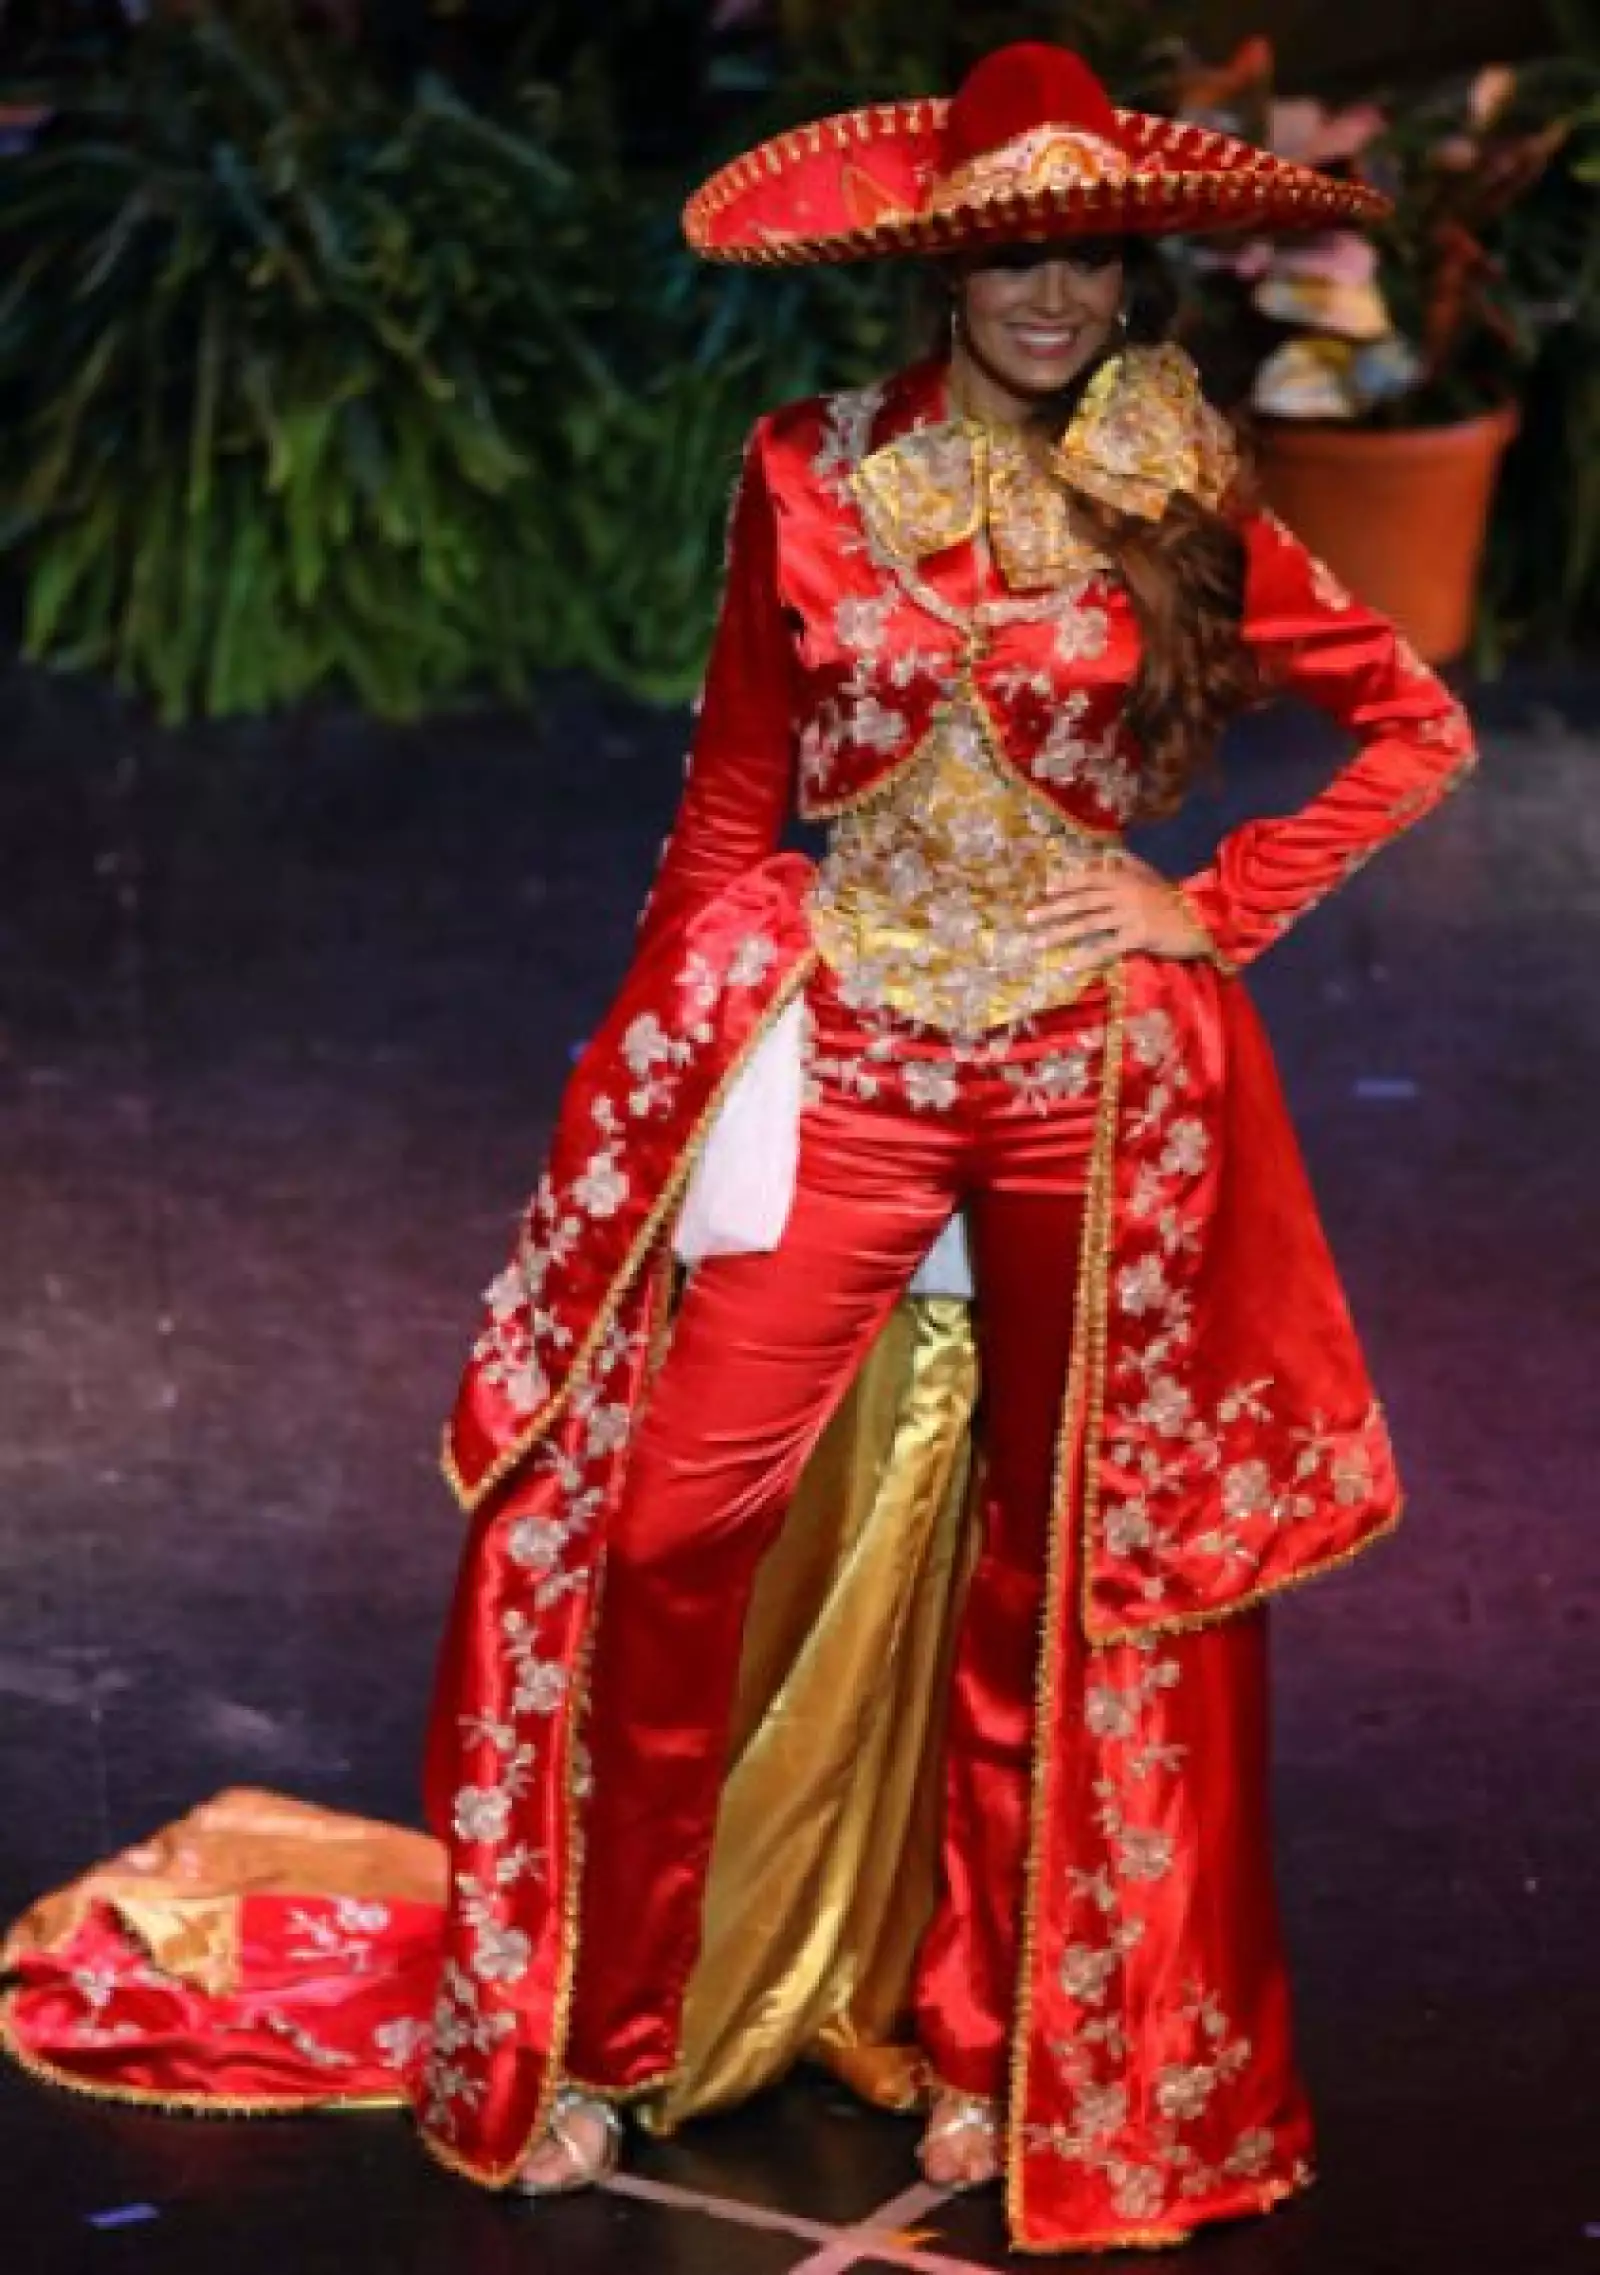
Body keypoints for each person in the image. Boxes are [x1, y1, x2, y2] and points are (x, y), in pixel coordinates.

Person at [0, 41, 1475, 2258]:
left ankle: (995, 2044)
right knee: (674, 1520)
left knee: (1053, 1571)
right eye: (1010, 254)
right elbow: (725, 802)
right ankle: (605, 2026)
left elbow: (1409, 725)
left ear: (1125, 268)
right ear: (940, 266)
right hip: (850, 1050)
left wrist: (1214, 901)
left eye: (1086, 252)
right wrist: (665, 1071)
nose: (1052, 293)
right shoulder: (807, 469)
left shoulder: (1177, 485)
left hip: (1086, 1078)